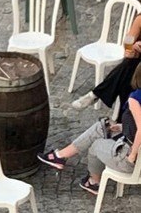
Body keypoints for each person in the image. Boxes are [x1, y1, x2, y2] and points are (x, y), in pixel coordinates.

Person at [38, 62, 141, 196]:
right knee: (103, 127)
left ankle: (94, 182)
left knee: (95, 146)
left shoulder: (136, 98)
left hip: (132, 159)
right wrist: (123, 126)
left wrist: (132, 155)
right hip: (132, 146)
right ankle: (61, 156)